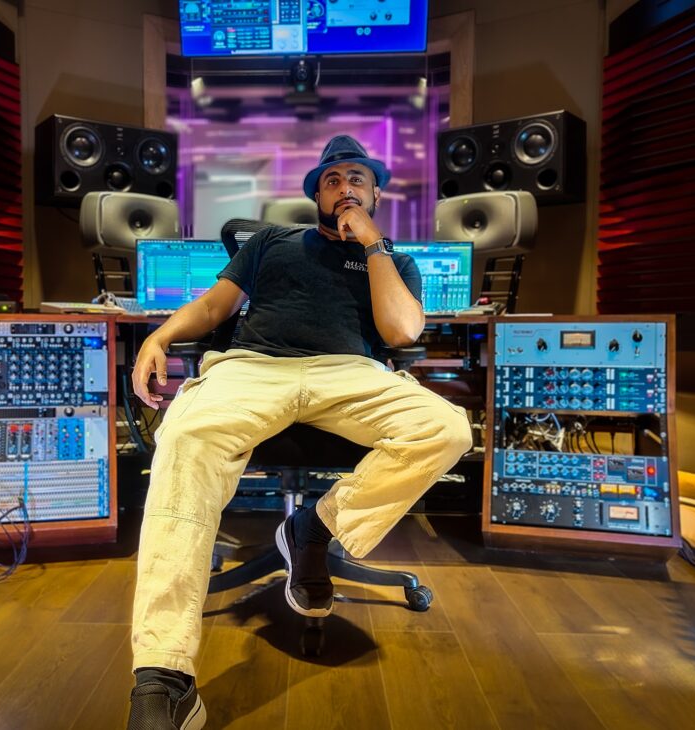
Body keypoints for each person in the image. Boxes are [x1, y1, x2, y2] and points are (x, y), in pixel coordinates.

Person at [126, 135, 473, 730]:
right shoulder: (271, 242)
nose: (345, 188)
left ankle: (312, 527)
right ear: (316, 194)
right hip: (255, 367)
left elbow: (400, 333)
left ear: (375, 194)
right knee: (183, 439)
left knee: (446, 428)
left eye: (357, 179)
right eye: (332, 180)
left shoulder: (395, 260)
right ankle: (164, 675)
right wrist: (158, 336)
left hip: (351, 374)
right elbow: (212, 309)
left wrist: (373, 246)